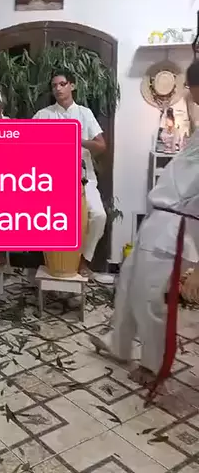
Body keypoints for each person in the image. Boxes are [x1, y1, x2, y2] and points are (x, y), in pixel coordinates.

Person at [89, 59, 199, 392]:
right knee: (127, 280)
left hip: (176, 226)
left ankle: (154, 365)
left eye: (192, 90)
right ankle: (119, 343)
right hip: (159, 217)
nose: (191, 96)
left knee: (148, 296)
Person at [33, 70, 107, 275]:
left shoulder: (84, 113)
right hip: (52, 180)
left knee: (99, 216)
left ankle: (83, 260)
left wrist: (77, 139)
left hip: (84, 178)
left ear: (72, 86)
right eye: (54, 85)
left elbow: (101, 146)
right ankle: (54, 263)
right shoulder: (43, 115)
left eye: (62, 84)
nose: (58, 88)